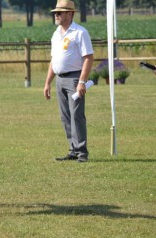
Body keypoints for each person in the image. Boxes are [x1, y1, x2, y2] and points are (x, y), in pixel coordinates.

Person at [43, 0, 94, 163]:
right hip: (59, 79)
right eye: (55, 13)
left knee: (77, 115)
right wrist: (47, 82)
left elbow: (88, 58)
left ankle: (82, 152)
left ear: (70, 14)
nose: (56, 15)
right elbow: (53, 60)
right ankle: (73, 149)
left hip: (74, 79)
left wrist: (81, 82)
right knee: (65, 116)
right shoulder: (56, 34)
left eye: (59, 13)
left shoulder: (80, 32)